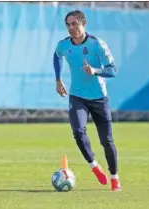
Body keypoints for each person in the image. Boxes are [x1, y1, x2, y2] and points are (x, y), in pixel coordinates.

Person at [53, 10, 121, 191]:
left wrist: (95, 71)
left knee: (107, 141)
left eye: (74, 24)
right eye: (68, 24)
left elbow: (113, 70)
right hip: (77, 97)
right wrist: (58, 79)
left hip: (99, 98)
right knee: (78, 131)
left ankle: (114, 177)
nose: (71, 28)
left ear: (83, 24)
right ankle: (94, 166)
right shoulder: (63, 45)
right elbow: (57, 56)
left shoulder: (97, 44)